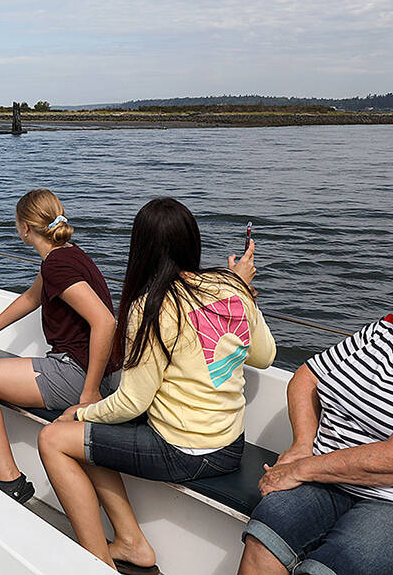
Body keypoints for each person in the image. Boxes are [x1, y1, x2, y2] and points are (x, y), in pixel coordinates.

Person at [38, 197, 273, 573]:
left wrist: (80, 411)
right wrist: (241, 290)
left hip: (181, 451)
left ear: (142, 249)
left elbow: (132, 403)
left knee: (54, 438)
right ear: (192, 242)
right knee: (88, 435)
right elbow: (265, 355)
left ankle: (96, 563)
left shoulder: (149, 307)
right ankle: (131, 543)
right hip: (229, 445)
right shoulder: (230, 291)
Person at [0, 189, 120, 504]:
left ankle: (10, 479)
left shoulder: (57, 265)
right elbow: (31, 298)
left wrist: (89, 393)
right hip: (87, 370)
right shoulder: (67, 254)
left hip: (79, 374)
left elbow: (105, 322)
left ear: (25, 227)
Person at [238, 316, 393, 575]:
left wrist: (300, 469)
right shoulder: (385, 328)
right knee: (266, 530)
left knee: (329, 568)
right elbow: (307, 377)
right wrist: (302, 445)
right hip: (323, 476)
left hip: (386, 500)